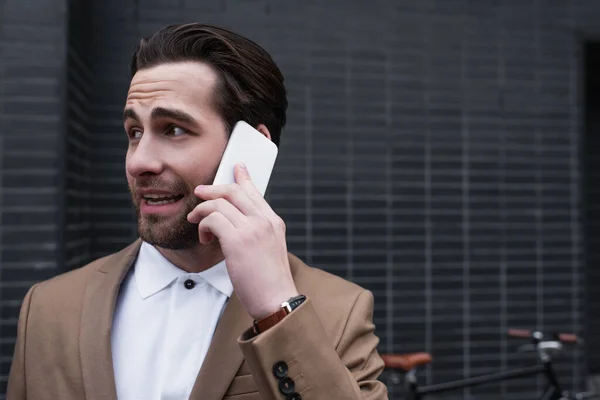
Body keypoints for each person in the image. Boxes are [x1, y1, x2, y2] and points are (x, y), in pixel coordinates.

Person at [7, 23, 387, 400]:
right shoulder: (45, 308)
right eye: (134, 132)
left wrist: (277, 313)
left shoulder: (340, 312)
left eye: (173, 130)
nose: (139, 162)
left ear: (250, 148)